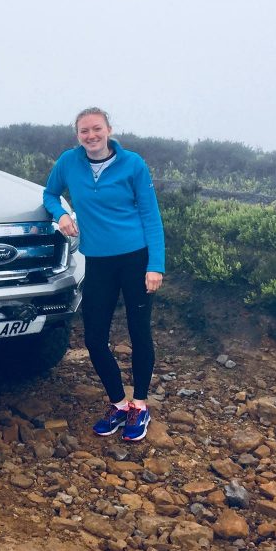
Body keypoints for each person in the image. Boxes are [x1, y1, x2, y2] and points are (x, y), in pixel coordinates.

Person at [43, 107, 165, 442]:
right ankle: (119, 404)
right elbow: (49, 194)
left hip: (136, 258)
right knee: (94, 337)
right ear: (77, 135)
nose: (91, 136)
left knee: (139, 331)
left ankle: (140, 404)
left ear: (109, 129)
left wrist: (156, 265)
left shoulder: (133, 164)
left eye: (97, 129)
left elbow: (151, 216)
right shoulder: (69, 162)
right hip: (97, 260)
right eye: (84, 131)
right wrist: (60, 216)